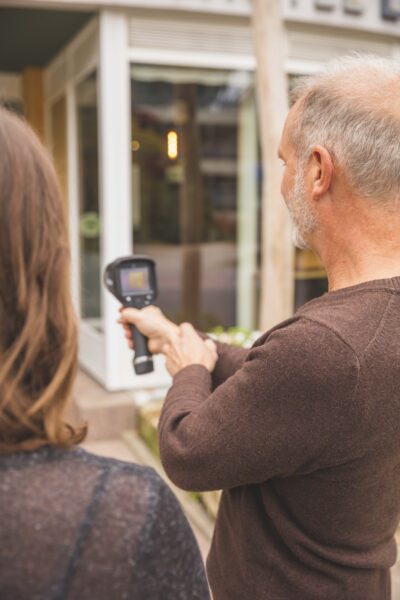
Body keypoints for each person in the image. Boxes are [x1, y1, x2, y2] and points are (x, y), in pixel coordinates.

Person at [120, 55, 400, 600]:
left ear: (319, 171)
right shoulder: (361, 335)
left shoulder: (329, 345)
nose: (281, 183)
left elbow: (188, 450)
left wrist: (190, 372)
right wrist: (190, 342)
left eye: (284, 161)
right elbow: (293, 391)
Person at [0, 107, 210, 600]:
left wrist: (191, 349)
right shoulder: (127, 515)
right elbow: (190, 452)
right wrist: (194, 374)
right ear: (47, 273)